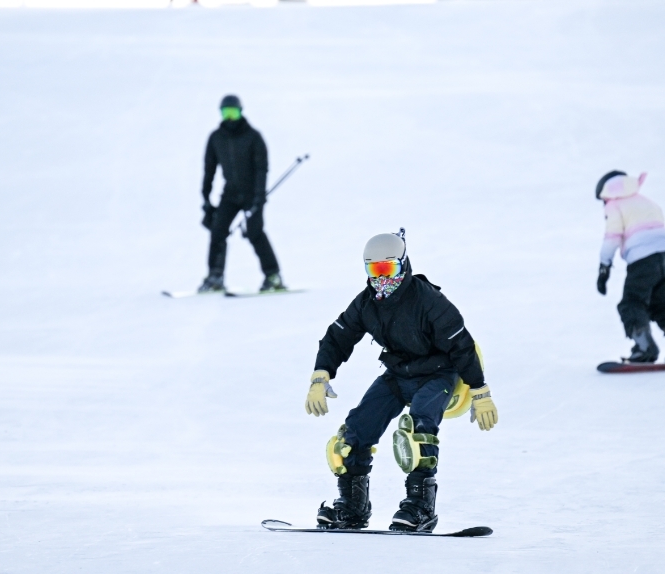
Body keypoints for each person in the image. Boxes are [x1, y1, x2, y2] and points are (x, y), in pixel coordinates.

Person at [303, 229, 498, 532]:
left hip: (438, 373)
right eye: (374, 270)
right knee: (354, 433)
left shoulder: (428, 301)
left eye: (388, 268)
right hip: (398, 374)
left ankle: (420, 507)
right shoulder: (367, 303)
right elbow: (337, 337)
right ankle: (353, 506)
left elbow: (461, 345)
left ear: (403, 264)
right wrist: (321, 375)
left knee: (417, 432)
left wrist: (480, 391)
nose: (382, 278)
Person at [595, 170, 665, 362]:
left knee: (631, 303)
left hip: (645, 260)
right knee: (658, 304)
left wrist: (604, 266)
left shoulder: (614, 204)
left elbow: (612, 236)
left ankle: (645, 348)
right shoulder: (646, 201)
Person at [198, 94, 285, 293]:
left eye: (233, 112)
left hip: (252, 194)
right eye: (226, 113)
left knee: (255, 232)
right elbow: (209, 169)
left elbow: (262, 168)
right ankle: (215, 277)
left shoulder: (253, 137)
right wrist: (206, 197)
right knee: (218, 232)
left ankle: (273, 276)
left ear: (241, 112)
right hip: (230, 194)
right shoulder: (216, 138)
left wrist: (259, 197)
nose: (230, 117)